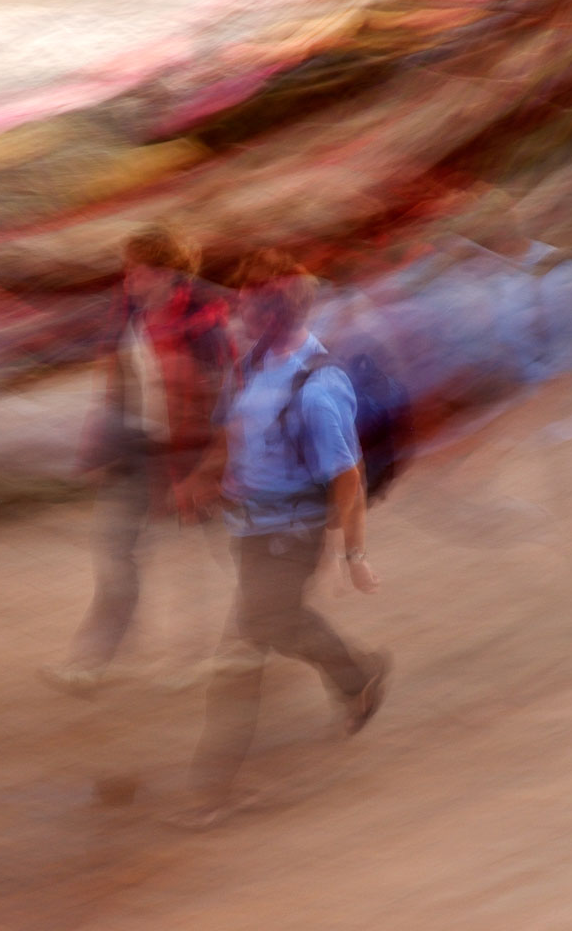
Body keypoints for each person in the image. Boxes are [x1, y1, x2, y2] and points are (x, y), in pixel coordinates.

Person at [170, 250, 392, 828]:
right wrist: (203, 478)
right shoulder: (251, 364)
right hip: (249, 530)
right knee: (280, 625)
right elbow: (230, 430)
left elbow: (348, 478)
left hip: (289, 537)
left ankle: (211, 789)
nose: (238, 313)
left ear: (278, 313)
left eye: (250, 306)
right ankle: (359, 674)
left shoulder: (320, 388)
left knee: (240, 654)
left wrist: (353, 555)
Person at [41, 224, 235, 695]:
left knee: (211, 552)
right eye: (129, 269)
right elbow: (116, 379)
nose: (130, 279)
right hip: (137, 449)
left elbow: (230, 394)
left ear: (169, 274)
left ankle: (227, 643)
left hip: (193, 451)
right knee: (117, 553)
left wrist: (210, 469)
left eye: (142, 271)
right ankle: (96, 659)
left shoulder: (206, 317)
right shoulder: (130, 311)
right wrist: (99, 445)